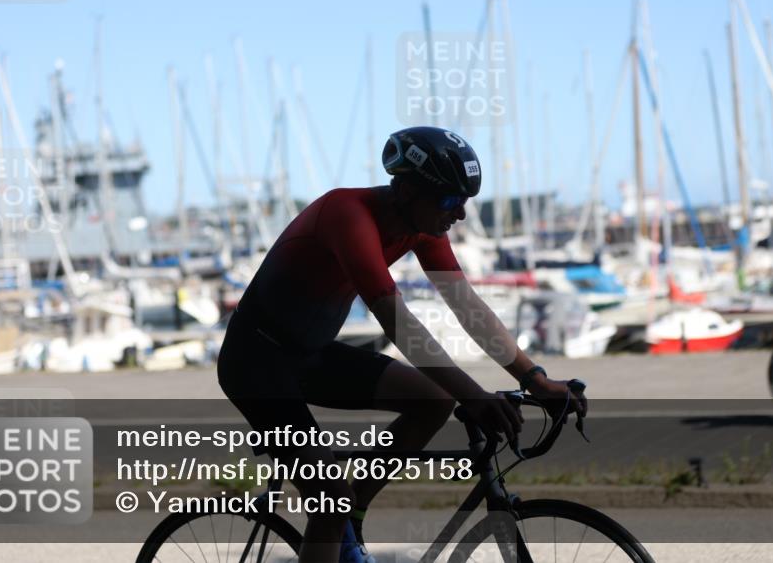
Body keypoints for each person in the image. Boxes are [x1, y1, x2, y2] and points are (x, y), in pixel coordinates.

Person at [218, 126, 587, 563]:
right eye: (451, 201)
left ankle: (350, 517)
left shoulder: (422, 226)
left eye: (465, 201)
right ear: (408, 190)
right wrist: (474, 395)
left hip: (307, 353)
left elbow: (466, 305)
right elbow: (398, 323)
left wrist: (534, 378)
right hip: (256, 362)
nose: (461, 214)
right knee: (329, 496)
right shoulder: (347, 215)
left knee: (432, 400)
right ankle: (340, 513)